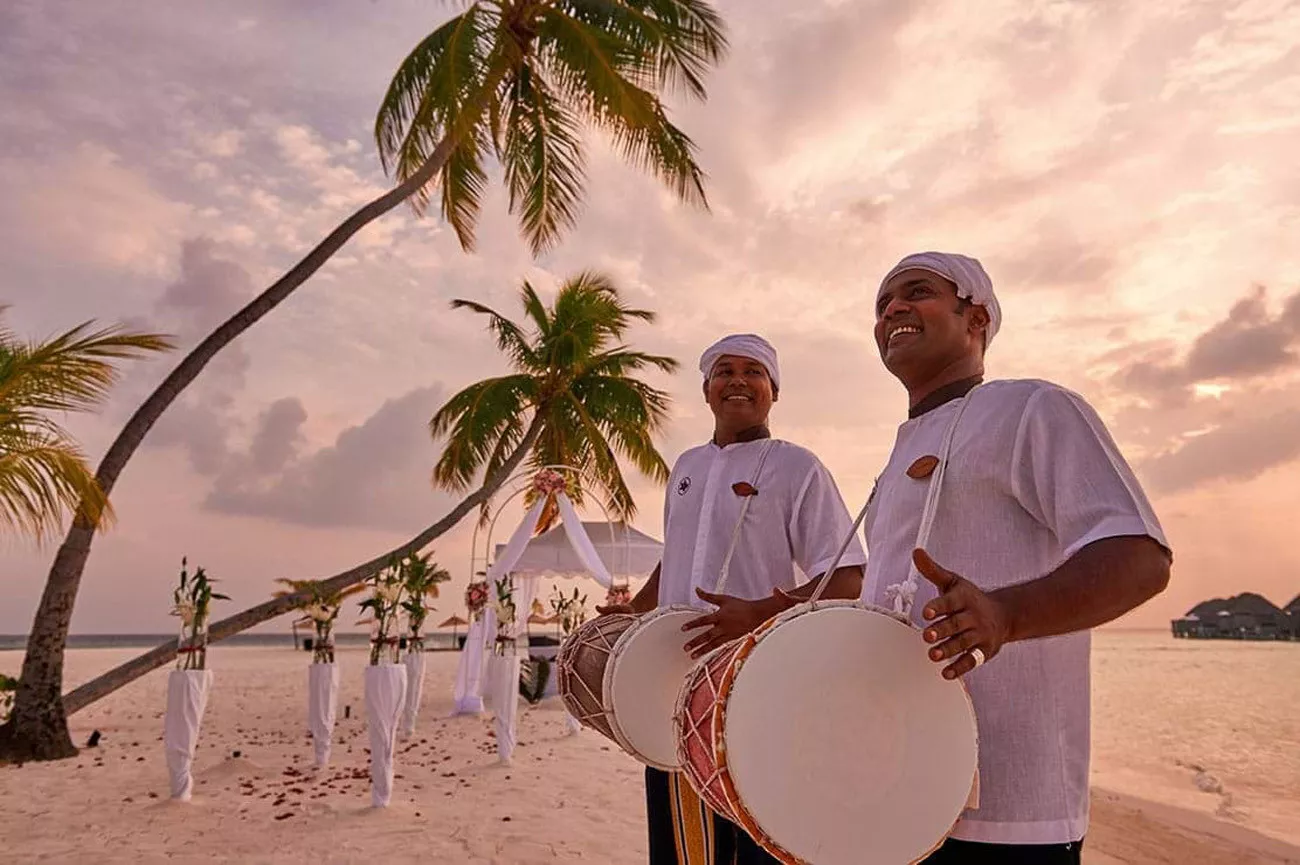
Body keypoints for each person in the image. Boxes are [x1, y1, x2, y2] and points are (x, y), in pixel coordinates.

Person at [861, 251, 1172, 864]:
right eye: (881, 304)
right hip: (896, 788)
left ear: (975, 317)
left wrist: (1005, 614)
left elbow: (1140, 555)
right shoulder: (894, 457)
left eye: (916, 291)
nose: (892, 308)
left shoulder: (1031, 407)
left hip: (1010, 814)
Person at [598, 333, 866, 865]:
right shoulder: (686, 469)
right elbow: (673, 554)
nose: (738, 380)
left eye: (754, 371)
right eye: (725, 371)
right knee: (682, 840)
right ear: (706, 390)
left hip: (761, 684)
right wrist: (636, 611)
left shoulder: (797, 467)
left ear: (774, 392)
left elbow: (847, 577)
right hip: (673, 684)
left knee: (761, 834)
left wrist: (759, 615)